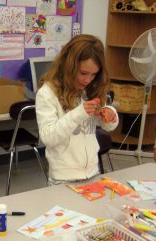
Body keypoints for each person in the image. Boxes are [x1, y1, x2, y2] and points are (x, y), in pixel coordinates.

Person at [36, 34, 118, 184]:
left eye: (94, 74)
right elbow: (48, 137)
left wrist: (110, 115)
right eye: (83, 73)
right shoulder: (47, 93)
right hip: (63, 178)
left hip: (93, 171)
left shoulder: (90, 89)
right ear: (69, 66)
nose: (88, 79)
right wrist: (79, 113)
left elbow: (106, 125)